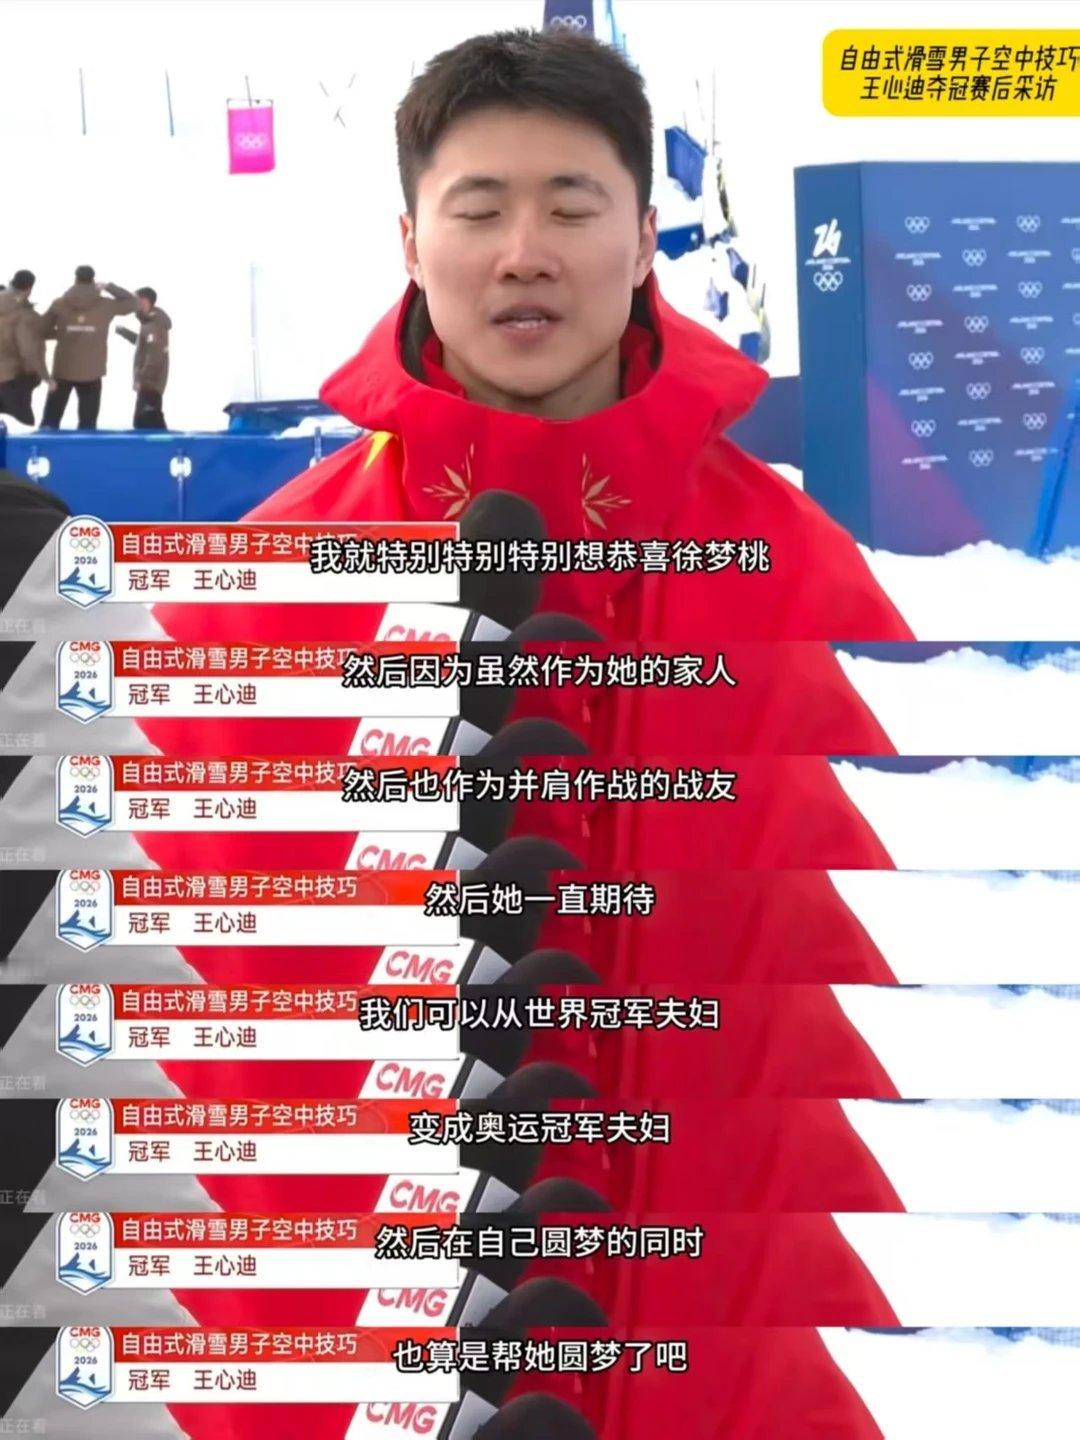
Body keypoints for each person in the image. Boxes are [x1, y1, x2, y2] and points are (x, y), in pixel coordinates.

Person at [139, 31, 916, 1440]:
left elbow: (869, 1003)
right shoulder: (263, 594)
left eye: (571, 206)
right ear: (410, 243)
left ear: (643, 239)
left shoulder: (803, 575)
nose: (525, 254)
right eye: (480, 208)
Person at [38, 264, 135, 430]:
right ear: (93, 280)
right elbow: (133, 303)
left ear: (75, 279)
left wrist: (64, 333)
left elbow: (40, 331)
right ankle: (85, 445)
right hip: (92, 371)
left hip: (63, 369)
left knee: (50, 421)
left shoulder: (59, 304)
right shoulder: (106, 305)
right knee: (88, 424)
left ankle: (42, 445)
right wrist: (109, 286)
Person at [116, 286, 171, 429]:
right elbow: (145, 344)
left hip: (150, 385)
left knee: (145, 424)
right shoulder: (149, 323)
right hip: (149, 385)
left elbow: (155, 356)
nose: (133, 305)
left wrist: (142, 379)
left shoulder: (155, 323)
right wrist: (125, 333)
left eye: (136, 300)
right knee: (146, 423)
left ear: (145, 301)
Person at [0, 271, 46, 427]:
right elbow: (28, 349)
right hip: (14, 378)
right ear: (29, 288)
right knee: (23, 425)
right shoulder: (22, 313)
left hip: (9, 376)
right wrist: (39, 374)